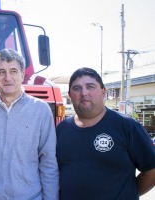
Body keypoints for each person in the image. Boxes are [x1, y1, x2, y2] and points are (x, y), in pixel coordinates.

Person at [0, 49, 59, 199]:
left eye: (13, 71)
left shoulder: (41, 111)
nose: (8, 78)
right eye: (1, 72)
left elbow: (48, 162)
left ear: (23, 75)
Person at [56, 67, 155, 200]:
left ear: (103, 92)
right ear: (70, 94)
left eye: (90, 86)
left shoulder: (127, 126)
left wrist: (127, 193)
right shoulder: (62, 129)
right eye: (77, 88)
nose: (83, 93)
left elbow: (151, 171)